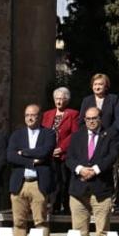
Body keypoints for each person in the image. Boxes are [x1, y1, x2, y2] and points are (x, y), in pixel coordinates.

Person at [66, 106, 119, 236]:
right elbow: (69, 158)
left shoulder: (110, 135)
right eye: (88, 119)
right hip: (78, 189)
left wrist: (95, 170)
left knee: (102, 228)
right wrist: (79, 169)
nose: (91, 121)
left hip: (101, 189)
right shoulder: (77, 136)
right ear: (84, 120)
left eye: (94, 118)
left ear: (100, 118)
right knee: (79, 229)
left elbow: (112, 155)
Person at [7, 103, 56, 236]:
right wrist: (32, 161)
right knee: (19, 222)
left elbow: (45, 152)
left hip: (38, 183)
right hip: (19, 184)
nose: (30, 117)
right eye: (27, 115)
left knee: (40, 222)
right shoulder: (17, 135)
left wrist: (24, 153)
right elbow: (11, 156)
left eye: (33, 115)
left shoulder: (48, 134)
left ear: (40, 116)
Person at [41, 86, 80, 214]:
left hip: (64, 154)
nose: (59, 101)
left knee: (63, 180)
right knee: (51, 180)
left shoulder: (73, 114)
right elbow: (43, 133)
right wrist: (48, 148)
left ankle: (65, 206)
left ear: (67, 100)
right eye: (57, 98)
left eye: (62, 99)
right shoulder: (47, 114)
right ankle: (52, 206)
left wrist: (61, 148)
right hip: (49, 153)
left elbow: (74, 134)